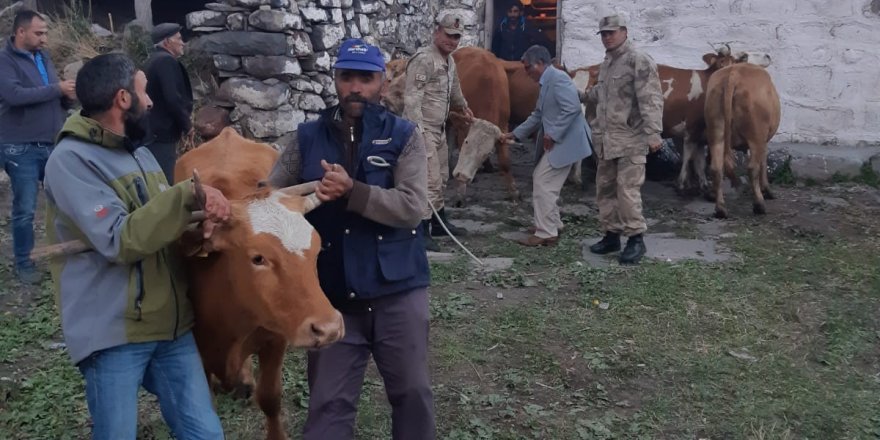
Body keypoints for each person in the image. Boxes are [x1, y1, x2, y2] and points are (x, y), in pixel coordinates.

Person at [43, 53, 229, 439]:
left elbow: (158, 229)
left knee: (205, 434)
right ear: (123, 99)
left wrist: (195, 233)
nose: (152, 102)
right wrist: (184, 199)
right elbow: (120, 239)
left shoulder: (139, 152)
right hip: (114, 331)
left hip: (169, 326)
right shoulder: (71, 161)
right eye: (145, 92)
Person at [267, 38, 434, 440]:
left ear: (382, 81)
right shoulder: (306, 137)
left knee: (412, 394)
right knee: (327, 404)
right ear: (335, 80)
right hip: (333, 298)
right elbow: (270, 198)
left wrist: (353, 192)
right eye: (347, 77)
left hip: (398, 292)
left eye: (366, 78)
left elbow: (413, 206)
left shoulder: (405, 136)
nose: (355, 87)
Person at [0, 9, 75, 284]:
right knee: (25, 208)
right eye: (39, 33)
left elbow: (49, 90)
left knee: (64, 200)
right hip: (20, 146)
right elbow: (14, 95)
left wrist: (66, 98)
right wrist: (58, 90)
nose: (45, 38)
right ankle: (24, 263)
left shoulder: (42, 56)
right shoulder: (4, 60)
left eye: (45, 32)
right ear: (21, 32)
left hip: (51, 142)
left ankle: (67, 252)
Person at [582, 14, 663, 264]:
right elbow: (600, 93)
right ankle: (611, 235)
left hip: (630, 140)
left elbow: (651, 98)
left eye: (612, 32)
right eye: (604, 34)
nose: (607, 37)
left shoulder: (637, 60)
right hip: (607, 141)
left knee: (627, 191)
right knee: (605, 189)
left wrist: (654, 132)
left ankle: (636, 239)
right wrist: (578, 94)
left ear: (625, 32)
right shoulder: (607, 63)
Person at [499, 45, 592, 246]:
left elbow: (573, 108)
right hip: (562, 140)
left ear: (540, 63)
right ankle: (553, 224)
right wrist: (515, 133)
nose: (527, 73)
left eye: (528, 68)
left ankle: (546, 232)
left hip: (567, 140)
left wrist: (553, 134)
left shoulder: (558, 79)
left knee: (542, 182)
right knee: (546, 182)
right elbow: (538, 115)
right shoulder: (547, 80)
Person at [403, 13, 475, 251]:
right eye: (448, 35)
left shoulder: (449, 61)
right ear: (437, 32)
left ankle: (438, 221)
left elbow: (454, 89)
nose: (452, 41)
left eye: (456, 37)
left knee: (442, 176)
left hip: (440, 128)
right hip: (423, 129)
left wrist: (463, 106)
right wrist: (417, 132)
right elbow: (412, 98)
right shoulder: (424, 59)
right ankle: (420, 229)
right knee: (428, 179)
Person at [145, 22, 193, 183]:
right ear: (167, 42)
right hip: (161, 133)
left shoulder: (154, 59)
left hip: (152, 131)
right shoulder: (165, 61)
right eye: (178, 39)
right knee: (164, 181)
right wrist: (187, 125)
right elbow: (172, 98)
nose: (182, 42)